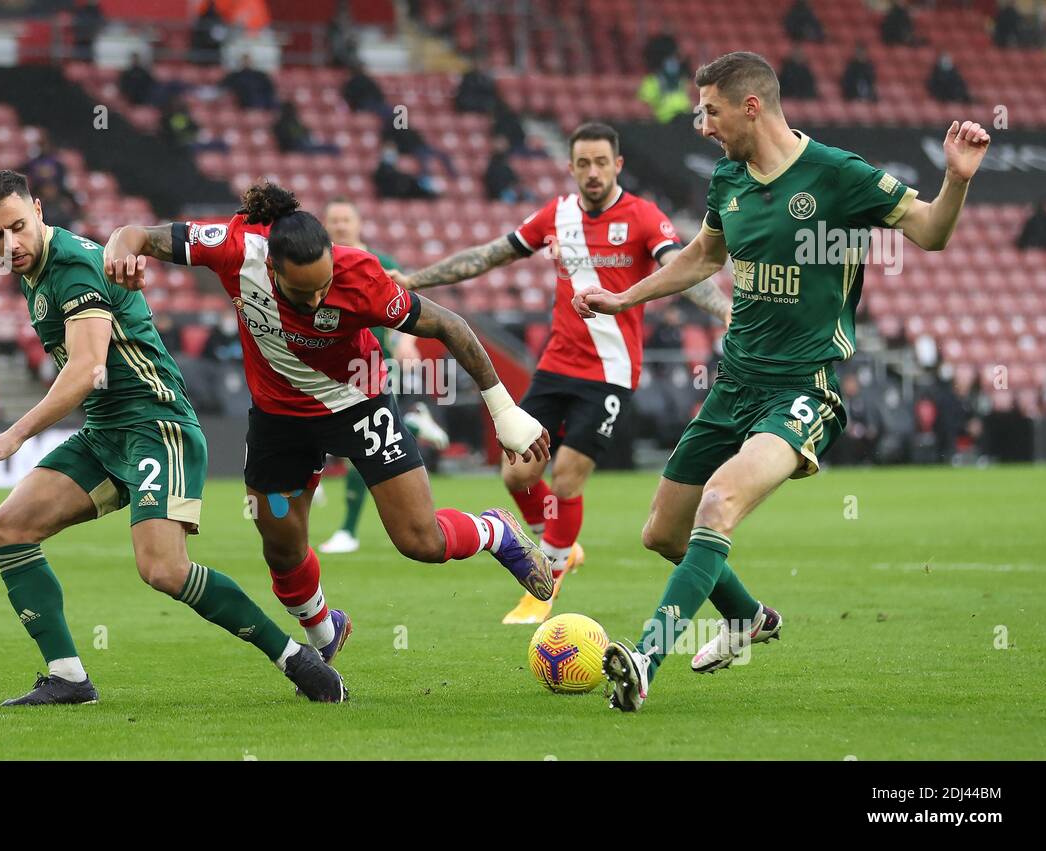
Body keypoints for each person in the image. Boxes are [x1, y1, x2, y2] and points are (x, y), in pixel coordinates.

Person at [571, 51, 989, 712]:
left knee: (718, 504)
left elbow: (931, 232)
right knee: (663, 534)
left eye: (709, 111)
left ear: (751, 105)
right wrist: (627, 299)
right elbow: (703, 255)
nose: (701, 126)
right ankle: (746, 617)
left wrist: (957, 181)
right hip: (733, 385)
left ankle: (647, 657)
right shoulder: (727, 179)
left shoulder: (839, 175)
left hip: (803, 388)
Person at [101, 182, 558, 669]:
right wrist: (121, 253)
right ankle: (325, 634)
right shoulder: (234, 248)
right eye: (304, 292)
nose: (318, 298)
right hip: (280, 420)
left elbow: (450, 326)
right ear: (272, 269)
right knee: (279, 542)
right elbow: (135, 235)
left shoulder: (360, 276)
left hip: (359, 404)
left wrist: (504, 411)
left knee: (421, 542)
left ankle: (496, 532)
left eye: (324, 285)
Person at [0, 170, 347, 705]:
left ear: (40, 210)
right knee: (9, 529)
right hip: (106, 433)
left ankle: (296, 658)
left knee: (163, 569)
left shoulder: (70, 268)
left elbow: (87, 368)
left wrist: (15, 435)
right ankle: (69, 677)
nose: (10, 243)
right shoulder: (37, 267)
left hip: (156, 427)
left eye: (18, 227)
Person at [387, 122, 733, 625]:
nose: (592, 173)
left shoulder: (643, 217)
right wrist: (416, 279)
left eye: (601, 163)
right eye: (583, 164)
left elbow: (682, 269)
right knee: (517, 472)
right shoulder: (557, 215)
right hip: (555, 368)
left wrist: (722, 310)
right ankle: (560, 545)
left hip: (610, 374)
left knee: (568, 477)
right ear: (571, 167)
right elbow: (488, 255)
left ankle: (545, 579)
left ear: (617, 165)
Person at [315, 196, 451, 555]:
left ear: (359, 224)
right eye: (335, 219)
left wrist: (406, 341)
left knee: (361, 438)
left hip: (370, 363)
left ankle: (346, 529)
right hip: (328, 364)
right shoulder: (317, 264)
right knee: (346, 435)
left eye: (346, 218)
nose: (341, 225)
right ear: (325, 225)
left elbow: (408, 305)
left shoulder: (379, 263)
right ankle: (411, 423)